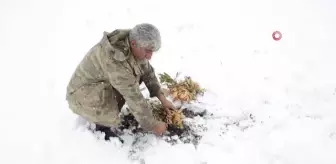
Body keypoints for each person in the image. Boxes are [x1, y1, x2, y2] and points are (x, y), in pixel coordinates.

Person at [65, 23, 176, 140]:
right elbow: (133, 96)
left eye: (152, 51)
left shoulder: (134, 45)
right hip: (83, 94)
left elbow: (147, 72)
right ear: (134, 44)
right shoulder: (115, 60)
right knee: (123, 88)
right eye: (147, 51)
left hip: (100, 83)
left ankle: (107, 111)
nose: (149, 56)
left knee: (132, 78)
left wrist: (162, 98)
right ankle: (102, 127)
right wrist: (153, 125)